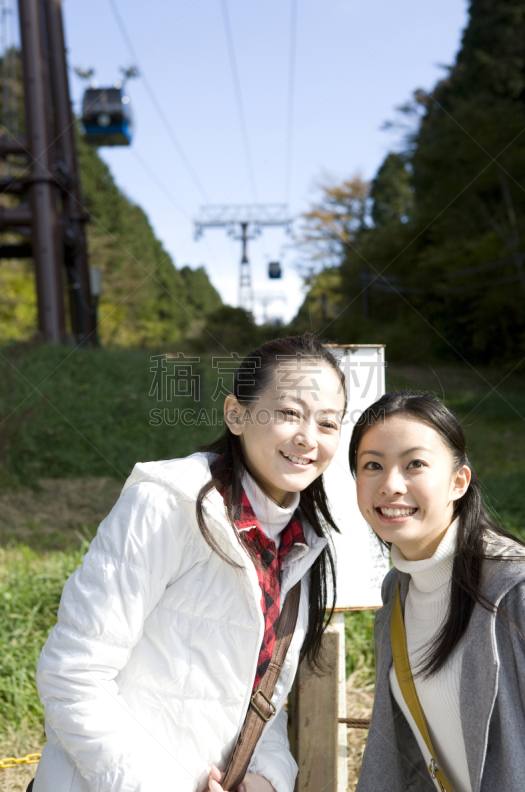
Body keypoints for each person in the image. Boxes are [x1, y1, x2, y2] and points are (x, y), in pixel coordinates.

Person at [33, 334, 346, 792]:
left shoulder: (302, 545)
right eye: (288, 413)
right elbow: (72, 674)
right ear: (236, 415)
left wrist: (268, 780)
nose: (308, 438)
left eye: (328, 423)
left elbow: (264, 701)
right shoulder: (165, 505)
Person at [350, 391, 525, 792]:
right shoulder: (397, 595)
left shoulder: (519, 595)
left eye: (414, 464)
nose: (390, 485)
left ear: (458, 482)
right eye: (372, 466)